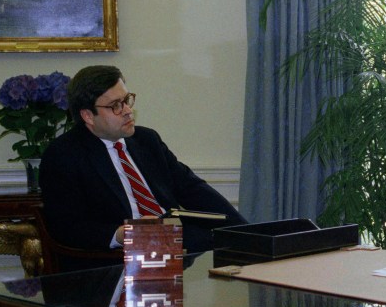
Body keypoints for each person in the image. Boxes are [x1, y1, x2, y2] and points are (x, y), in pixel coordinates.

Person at [40, 65, 247, 271]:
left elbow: (191, 187)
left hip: (175, 247)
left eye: (127, 100)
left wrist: (244, 230)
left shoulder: (147, 140)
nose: (128, 111)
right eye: (116, 106)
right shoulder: (63, 155)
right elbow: (66, 227)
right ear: (87, 116)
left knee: (229, 245)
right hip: (114, 264)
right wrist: (123, 234)